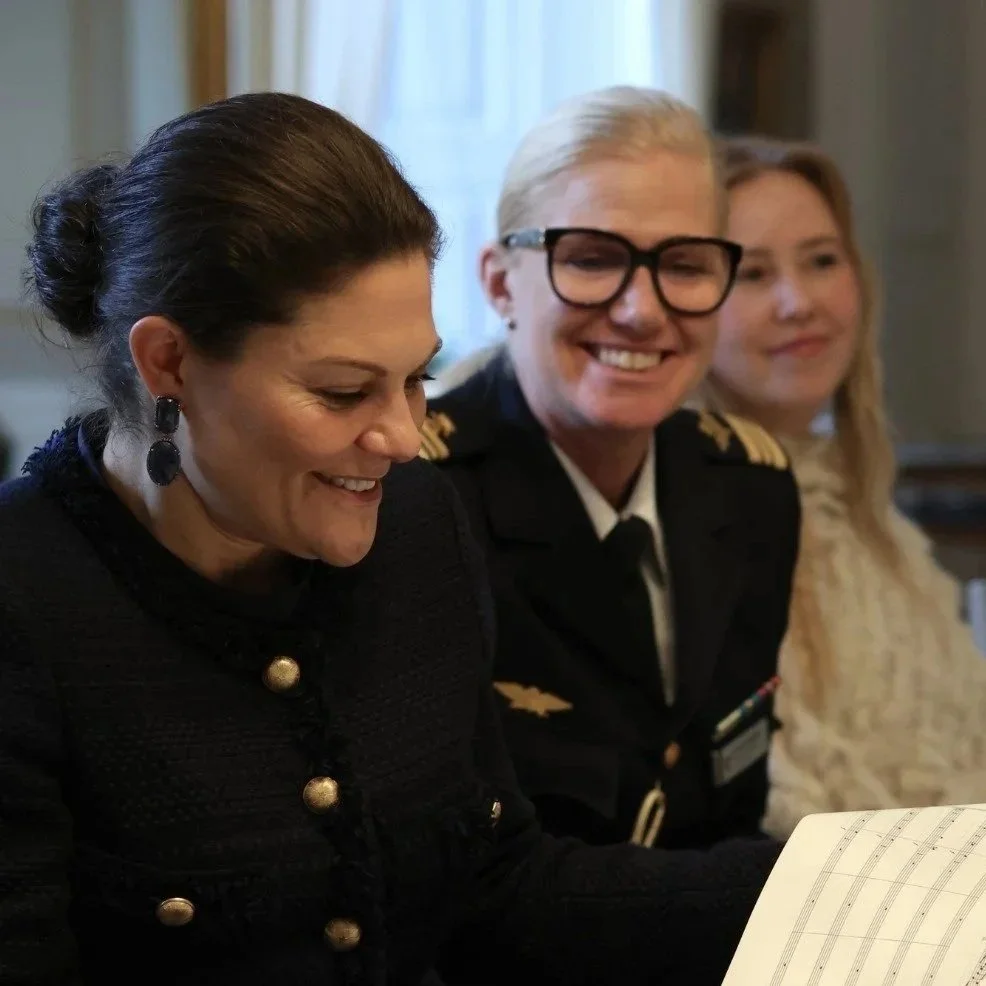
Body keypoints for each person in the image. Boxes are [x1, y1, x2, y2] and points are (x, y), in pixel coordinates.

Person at [0, 91, 778, 986]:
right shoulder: (26, 600)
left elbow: (498, 890)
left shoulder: (416, 525)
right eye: (341, 393)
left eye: (418, 379)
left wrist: (825, 885)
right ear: (168, 362)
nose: (404, 439)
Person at [423, 86, 800, 853]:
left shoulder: (749, 490)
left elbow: (728, 804)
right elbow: (466, 884)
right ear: (500, 283)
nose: (641, 311)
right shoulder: (424, 502)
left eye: (686, 265)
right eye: (592, 259)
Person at [702, 135, 986, 838]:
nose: (800, 302)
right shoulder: (697, 531)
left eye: (822, 261)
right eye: (755, 274)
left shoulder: (874, 523)